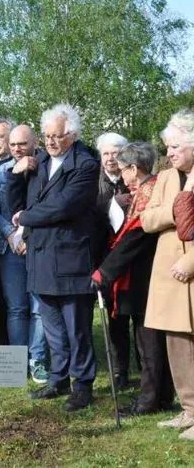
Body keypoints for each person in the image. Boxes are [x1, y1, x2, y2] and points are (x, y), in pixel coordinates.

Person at [9, 104, 101, 412]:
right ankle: (58, 378)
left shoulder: (85, 165)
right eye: (46, 135)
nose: (50, 141)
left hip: (71, 259)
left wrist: (27, 218)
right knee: (51, 327)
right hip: (40, 257)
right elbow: (17, 203)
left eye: (57, 136)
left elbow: (63, 207)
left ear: (72, 135)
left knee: (77, 327)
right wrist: (15, 173)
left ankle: (83, 384)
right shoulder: (40, 161)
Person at [91, 142, 173, 417]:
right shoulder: (143, 191)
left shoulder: (149, 192)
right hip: (144, 274)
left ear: (134, 169)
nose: (122, 175)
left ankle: (150, 400)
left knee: (148, 341)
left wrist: (104, 271)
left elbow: (135, 237)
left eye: (124, 169)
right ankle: (159, 396)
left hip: (146, 276)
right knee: (150, 340)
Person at [140, 110, 194, 439]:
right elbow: (147, 220)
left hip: (189, 270)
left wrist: (192, 263)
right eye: (167, 147)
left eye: (174, 147)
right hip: (169, 276)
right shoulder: (165, 178)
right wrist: (174, 210)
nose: (169, 153)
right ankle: (189, 409)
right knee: (177, 343)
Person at [0, 124, 49, 383]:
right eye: (13, 144)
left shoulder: (45, 169)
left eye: (22, 144)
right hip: (9, 248)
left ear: (34, 142)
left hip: (38, 246)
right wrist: (10, 234)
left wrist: (28, 236)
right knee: (16, 307)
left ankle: (37, 359)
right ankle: (16, 363)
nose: (16, 149)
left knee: (39, 307)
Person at [95, 131, 133, 389]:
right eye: (106, 153)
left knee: (136, 315)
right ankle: (120, 371)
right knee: (113, 315)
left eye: (115, 153)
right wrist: (113, 204)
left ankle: (145, 367)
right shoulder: (93, 182)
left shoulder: (133, 178)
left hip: (133, 256)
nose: (110, 159)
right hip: (104, 257)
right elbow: (89, 210)